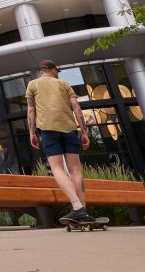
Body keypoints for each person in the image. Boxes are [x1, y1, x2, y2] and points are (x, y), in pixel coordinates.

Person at [26, 59, 96, 224]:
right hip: (70, 130)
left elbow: (31, 110)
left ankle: (77, 207)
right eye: (57, 71)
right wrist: (84, 132)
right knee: (75, 169)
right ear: (53, 70)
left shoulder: (32, 85)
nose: (57, 73)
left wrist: (32, 132)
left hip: (48, 130)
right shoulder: (64, 84)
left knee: (57, 168)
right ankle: (83, 210)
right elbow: (77, 108)